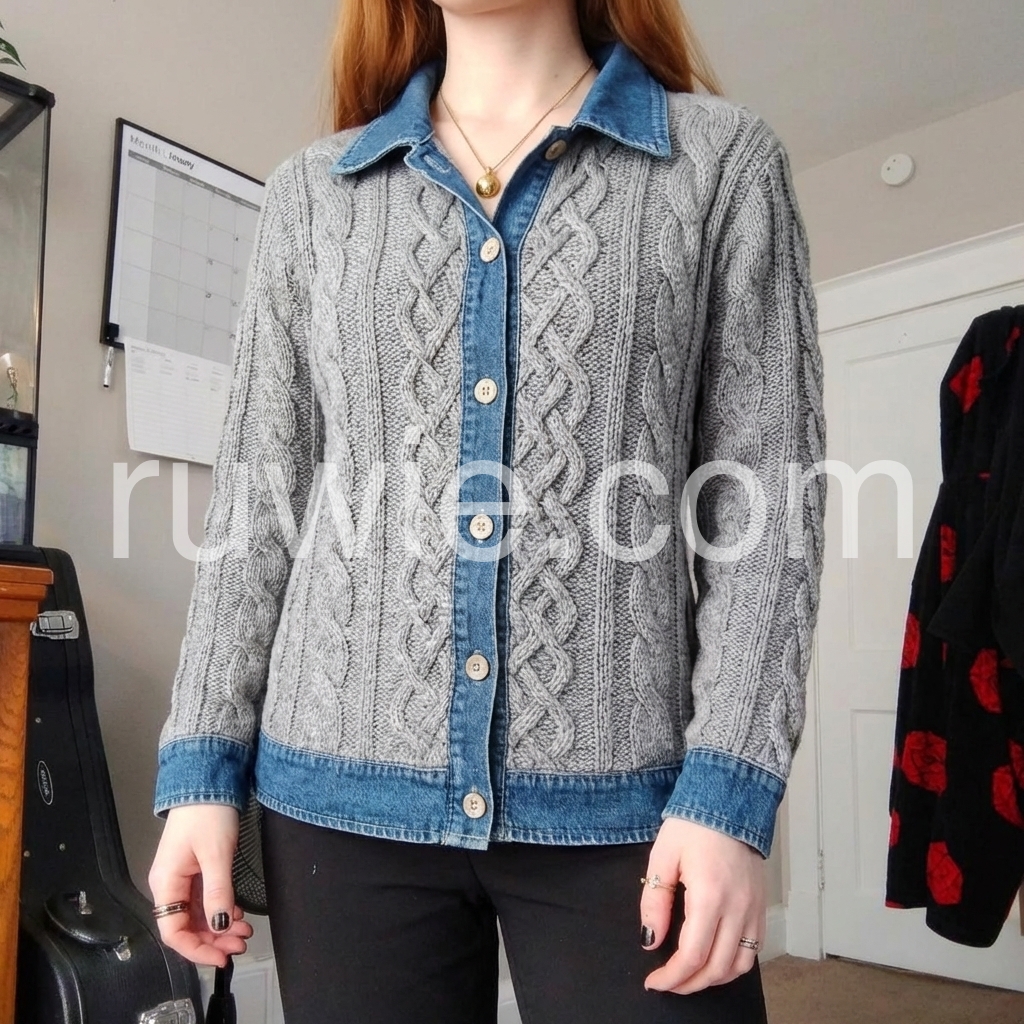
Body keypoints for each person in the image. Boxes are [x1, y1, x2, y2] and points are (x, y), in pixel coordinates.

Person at [147, 1, 826, 1021]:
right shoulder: (312, 193)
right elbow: (256, 503)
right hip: (337, 803)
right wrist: (200, 766)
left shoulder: (719, 163)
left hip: (629, 808)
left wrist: (730, 794)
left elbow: (767, 509)